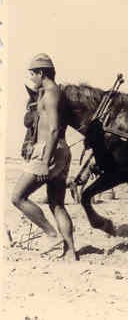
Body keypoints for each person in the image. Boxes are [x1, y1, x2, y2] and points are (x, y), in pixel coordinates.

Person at [11, 53, 78, 260]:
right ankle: (70, 252)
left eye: (33, 74)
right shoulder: (56, 93)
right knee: (57, 203)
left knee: (18, 197)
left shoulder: (49, 94)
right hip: (62, 150)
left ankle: (51, 234)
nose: (32, 79)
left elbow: (54, 129)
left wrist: (43, 162)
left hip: (48, 149)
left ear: (41, 73)